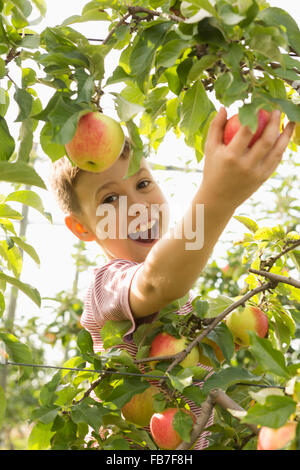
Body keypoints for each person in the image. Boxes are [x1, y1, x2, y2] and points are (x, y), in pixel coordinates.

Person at [49, 107, 295, 449]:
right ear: (82, 227)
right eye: (110, 199)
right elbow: (154, 282)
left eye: (143, 183)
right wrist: (220, 194)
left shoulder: (186, 308)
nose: (138, 205)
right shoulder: (105, 287)